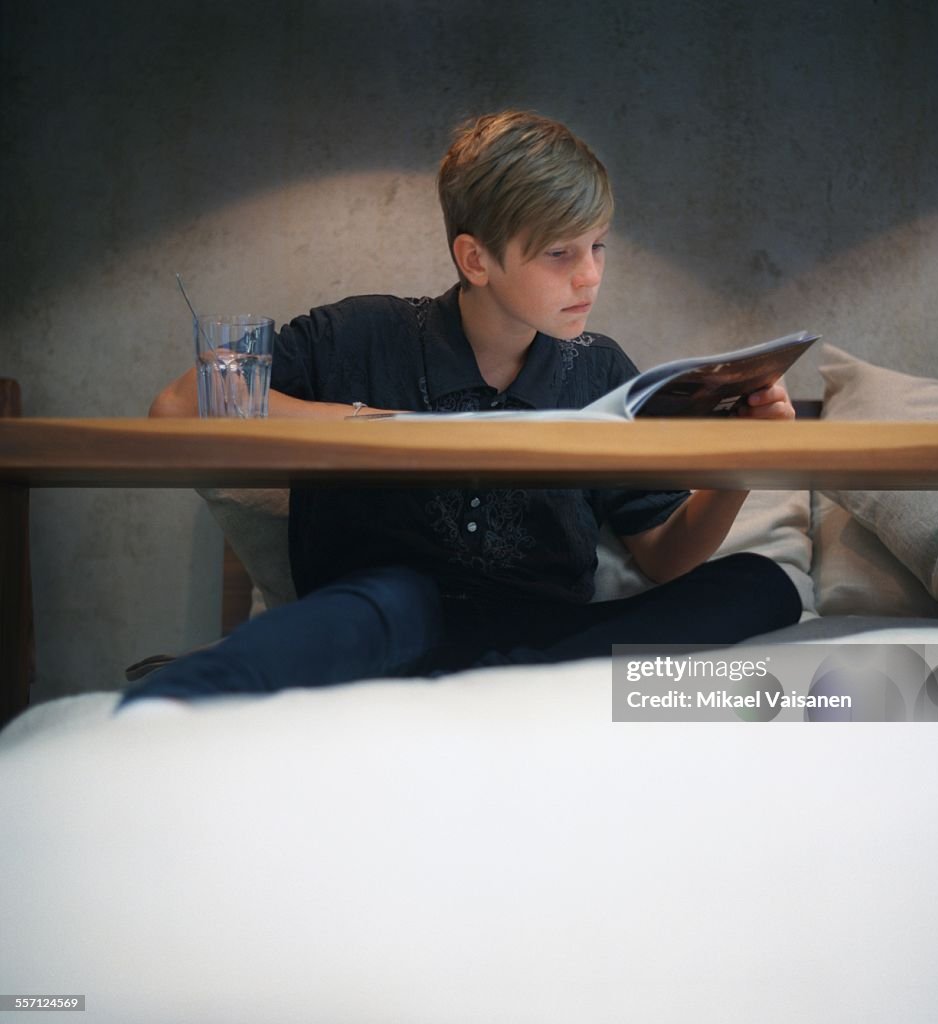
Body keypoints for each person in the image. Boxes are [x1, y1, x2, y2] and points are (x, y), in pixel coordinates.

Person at [121, 110, 800, 707]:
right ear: (475, 259)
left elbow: (664, 558)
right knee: (386, 601)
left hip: (544, 626)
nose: (590, 275)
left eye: (597, 247)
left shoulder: (599, 368)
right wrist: (371, 424)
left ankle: (504, 687)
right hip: (391, 616)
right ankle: (521, 691)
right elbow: (180, 405)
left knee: (762, 583)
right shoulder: (360, 333)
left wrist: (738, 466)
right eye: (560, 253)